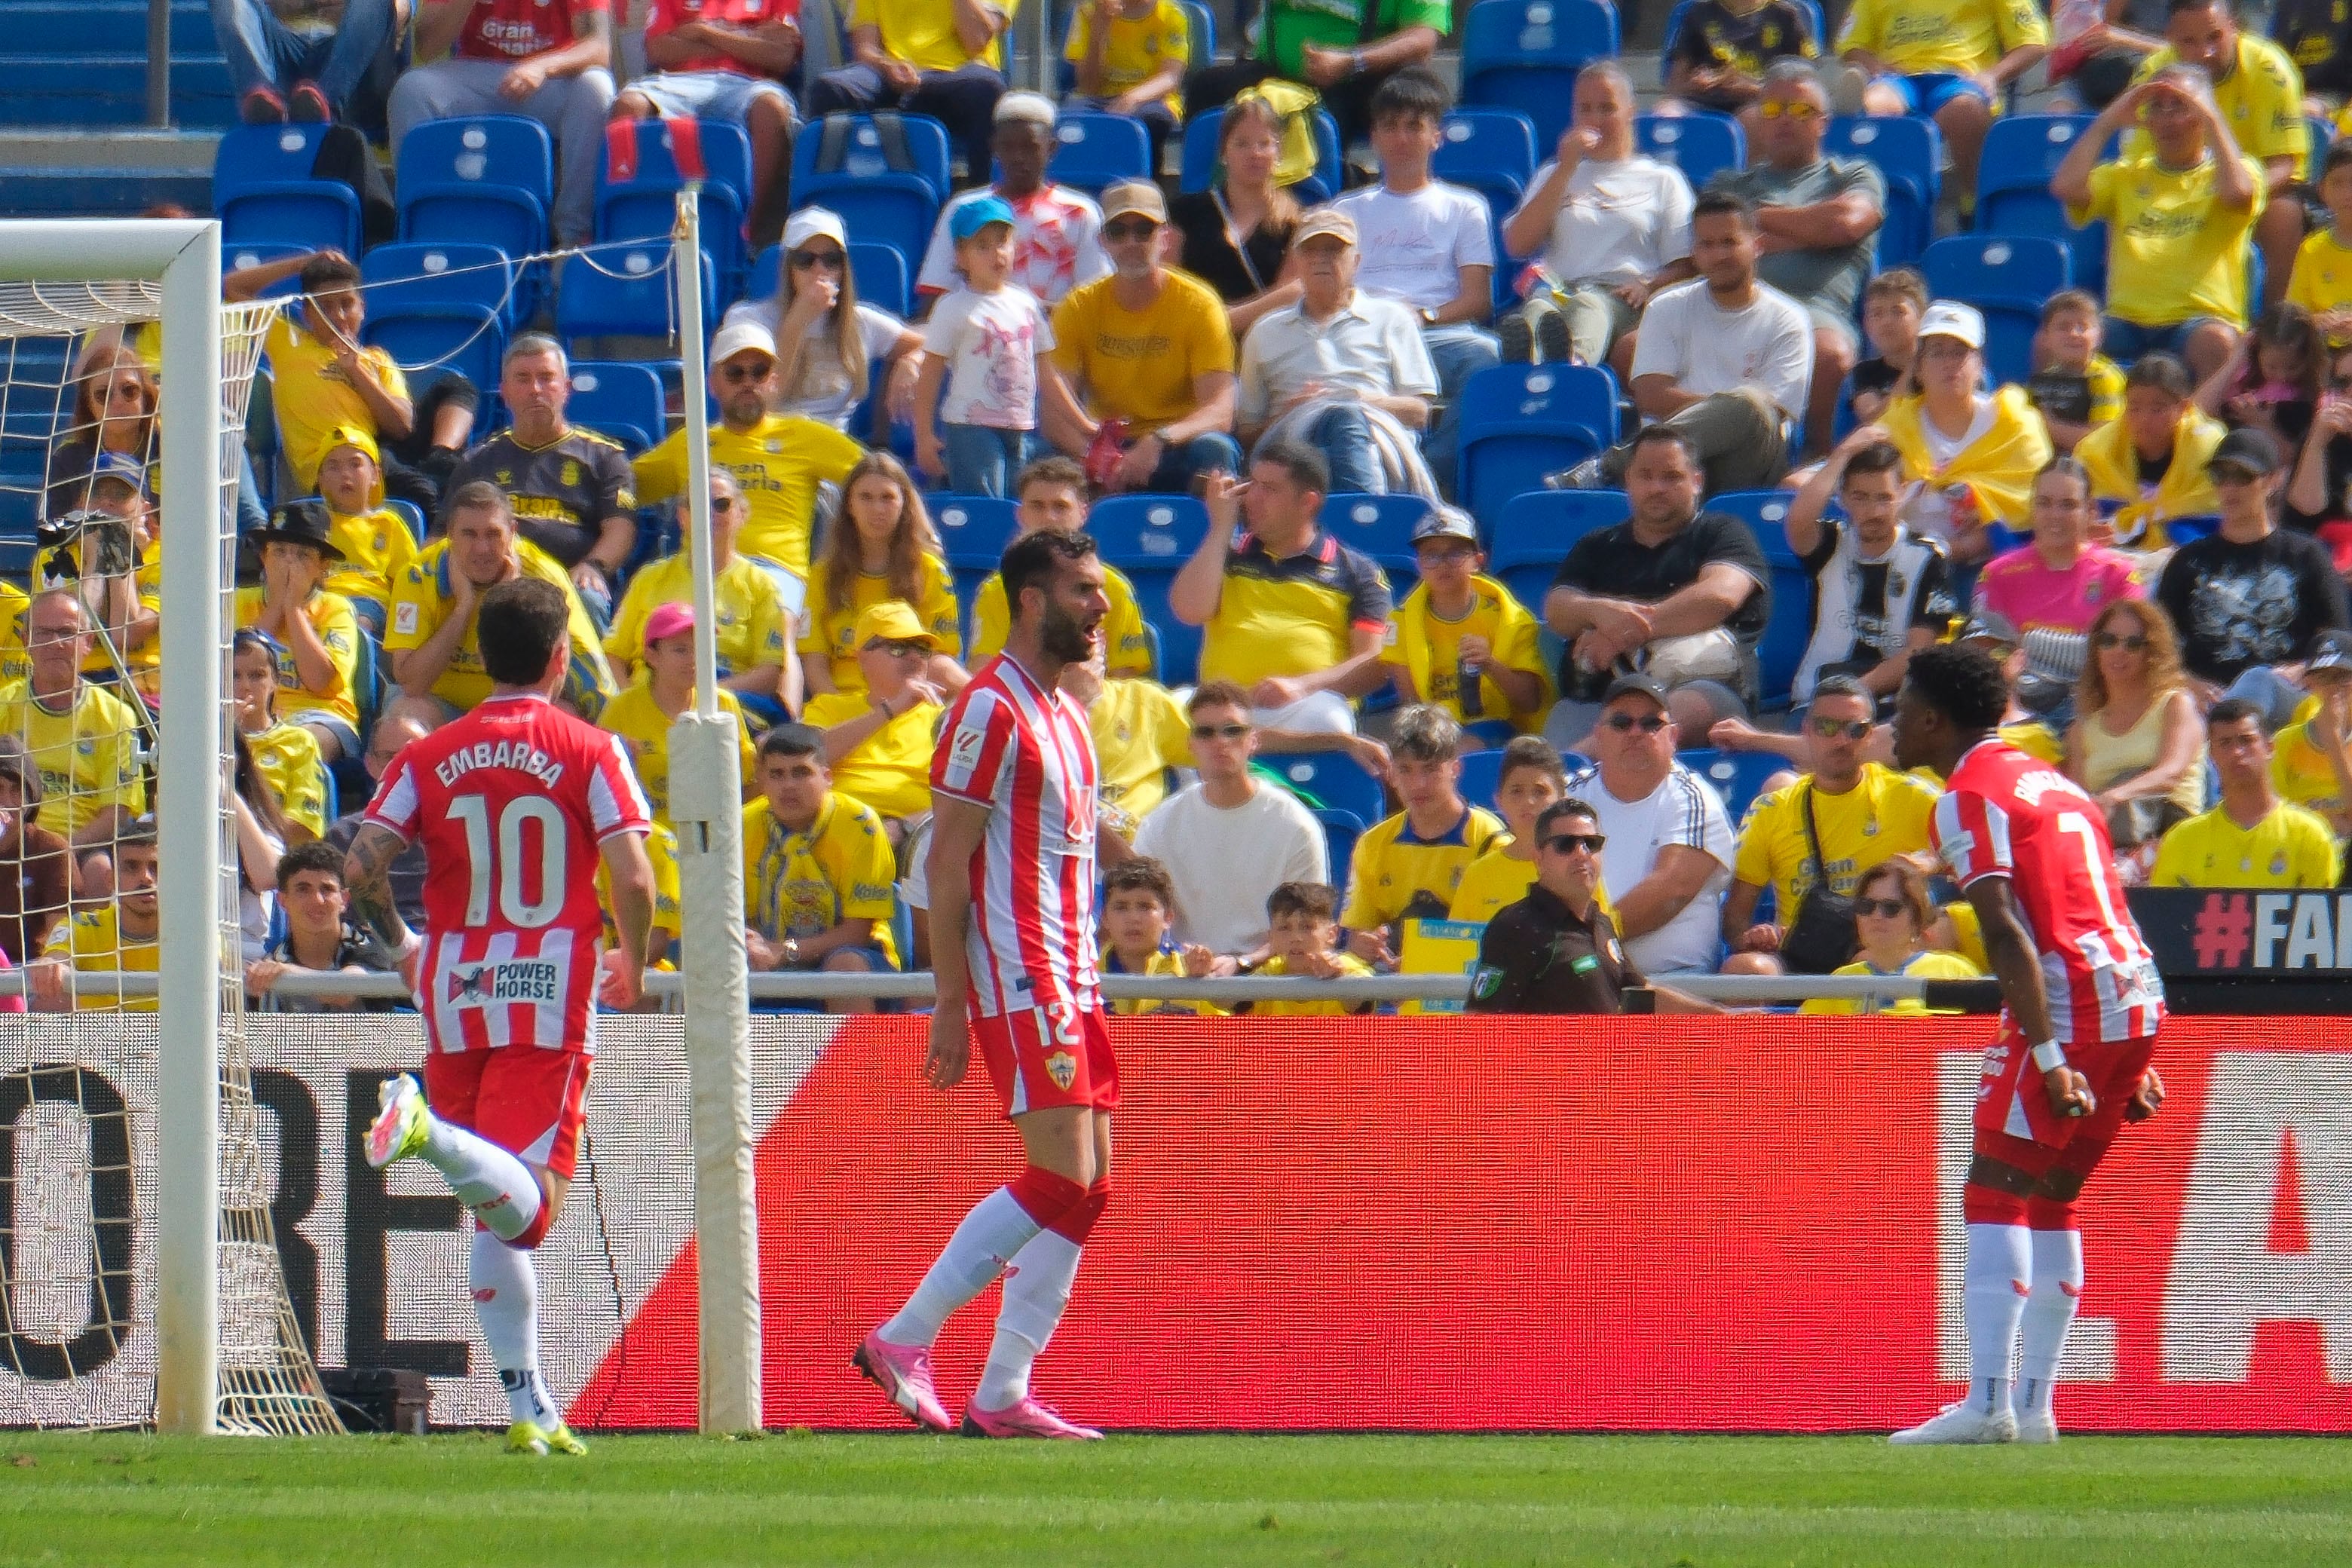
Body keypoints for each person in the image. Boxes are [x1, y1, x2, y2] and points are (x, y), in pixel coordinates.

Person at [352, 577, 657, 1459]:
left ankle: (528, 1406)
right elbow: (633, 875)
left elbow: (362, 863)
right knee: (529, 1214)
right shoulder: (590, 748)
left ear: (483, 657)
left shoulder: (427, 753)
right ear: (562, 656)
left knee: (494, 1208)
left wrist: (406, 946)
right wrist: (634, 957)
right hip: (546, 991)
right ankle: (421, 1128)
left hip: (454, 991)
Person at [855, 527, 1117, 1442]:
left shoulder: (1067, 715)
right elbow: (946, 863)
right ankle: (902, 1339)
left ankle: (1003, 1390)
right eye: (1085, 589)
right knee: (1059, 1173)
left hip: (1074, 972)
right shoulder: (986, 709)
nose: (1103, 605)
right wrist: (951, 1003)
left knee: (1092, 1184)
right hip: (1021, 970)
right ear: (1034, 599)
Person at [1887, 642, 2166, 1446]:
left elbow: (2006, 928)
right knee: (2055, 1196)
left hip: (2072, 1003)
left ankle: (1985, 1405)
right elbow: (2101, 901)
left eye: (1902, 709)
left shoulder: (1968, 793)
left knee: (1995, 1190)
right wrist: (2131, 1048)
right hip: (2132, 993)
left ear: (1935, 719)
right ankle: (2037, 1408)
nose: (1894, 724)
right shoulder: (2056, 783)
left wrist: (2051, 1056)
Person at [1558, 192, 1814, 496]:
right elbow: (1651, 396)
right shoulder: (1666, 306)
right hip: (1667, 460)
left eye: (1729, 243)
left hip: (1745, 465)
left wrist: (1733, 409)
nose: (1719, 255)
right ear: (1694, 252)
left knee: (1751, 405)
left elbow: (1771, 413)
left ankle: (1611, 467)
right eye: (1707, 245)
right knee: (1744, 403)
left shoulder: (1789, 319)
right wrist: (1724, 411)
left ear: (1757, 246)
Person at [1328, 68, 1500, 488]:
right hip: (1365, 334)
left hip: (1436, 332)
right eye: (1390, 127)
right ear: (1375, 136)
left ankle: (1434, 470)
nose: (1402, 139)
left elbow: (1477, 299)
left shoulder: (1465, 207)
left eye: (1414, 127)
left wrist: (1421, 316)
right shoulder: (1346, 211)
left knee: (1485, 354)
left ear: (1435, 136)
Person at [1544, 427, 1772, 741]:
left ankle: (1588, 761)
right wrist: (1599, 609)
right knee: (1561, 734)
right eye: (1646, 476)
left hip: (1702, 691)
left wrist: (1620, 634)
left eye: (1671, 476)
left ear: (1696, 482)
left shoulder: (1724, 533)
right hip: (1599, 699)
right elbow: (1558, 610)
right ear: (1628, 481)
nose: (1657, 487)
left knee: (1644, 726)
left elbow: (1718, 597)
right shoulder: (1597, 544)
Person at [632, 320, 865, 624]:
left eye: (759, 372)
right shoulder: (691, 443)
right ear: (713, 382)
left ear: (774, 381)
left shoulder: (805, 435)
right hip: (701, 572)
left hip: (776, 573)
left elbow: (882, 477)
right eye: (735, 373)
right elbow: (622, 486)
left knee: (770, 625)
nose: (748, 382)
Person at [1711, 61, 1888, 455]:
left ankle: (1816, 454)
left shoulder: (1853, 175)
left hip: (1817, 311)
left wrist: (1753, 219)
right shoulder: (1731, 183)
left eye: (1800, 110)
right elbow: (1710, 242)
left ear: (1823, 122)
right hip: (1733, 308)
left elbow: (1843, 224)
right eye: (1772, 110)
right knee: (1635, 344)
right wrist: (1811, 230)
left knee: (1831, 353)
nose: (1784, 120)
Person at [2052, 65, 2265, 380]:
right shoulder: (2124, 174)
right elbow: (2065, 187)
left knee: (2215, 343)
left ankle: (2206, 429)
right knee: (2055, 341)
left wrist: (2212, 118)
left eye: (2180, 105)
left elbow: (2237, 195)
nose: (2167, 119)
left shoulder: (2240, 170)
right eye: (2157, 107)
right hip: (2125, 321)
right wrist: (2108, 121)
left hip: (2198, 320)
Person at [1719, 675, 1941, 975]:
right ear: (1807, 731)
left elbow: (1978, 845)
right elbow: (1736, 917)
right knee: (1744, 970)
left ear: (1871, 736)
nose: (1841, 740)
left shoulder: (1912, 795)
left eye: (1856, 730)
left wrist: (1930, 862)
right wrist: (1758, 940)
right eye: (1827, 728)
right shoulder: (1772, 808)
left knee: (1867, 965)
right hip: (1801, 955)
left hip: (1883, 952)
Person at [1174, 444, 1395, 740]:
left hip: (1302, 706)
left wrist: (1302, 686)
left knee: (1329, 719)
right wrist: (1220, 529)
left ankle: (1243, 744)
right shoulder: (1223, 555)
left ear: (1308, 502)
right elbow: (1190, 611)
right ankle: (1239, 745)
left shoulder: (1357, 571)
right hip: (1220, 708)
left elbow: (1375, 663)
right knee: (1169, 711)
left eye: (1269, 489)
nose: (1252, 497)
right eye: (1251, 484)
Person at [1498, 62, 1696, 374]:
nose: (1595, 120)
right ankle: (1523, 368)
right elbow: (1517, 244)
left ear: (1630, 111)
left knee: (1590, 306)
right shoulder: (1553, 173)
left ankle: (1571, 368)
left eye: (1607, 108)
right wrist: (1566, 168)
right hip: (1558, 288)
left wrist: (1649, 282)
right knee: (1536, 307)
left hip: (1620, 295)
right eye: (1585, 109)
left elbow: (1687, 263)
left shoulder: (1662, 179)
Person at [1049, 180, 1243, 495]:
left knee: (1215, 450)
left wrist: (1158, 439)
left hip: (1176, 443)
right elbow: (1054, 415)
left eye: (1144, 230)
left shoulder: (1199, 304)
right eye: (1118, 232)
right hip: (1105, 442)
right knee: (1045, 461)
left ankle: (1222, 538)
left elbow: (1220, 410)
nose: (1132, 242)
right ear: (1103, 242)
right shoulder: (1078, 306)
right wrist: (1095, 458)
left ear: (1165, 238)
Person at [1233, 208, 1438, 496]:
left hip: (1374, 439)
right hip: (1291, 445)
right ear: (1296, 262)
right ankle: (1363, 516)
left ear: (1356, 262)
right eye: (1309, 251)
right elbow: (1246, 434)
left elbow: (1419, 412)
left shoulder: (1391, 319)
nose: (1320, 259)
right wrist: (1289, 414)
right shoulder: (1264, 332)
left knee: (1346, 418)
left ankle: (1358, 512)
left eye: (1332, 250)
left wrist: (1353, 400)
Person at [1128, 681, 1331, 966]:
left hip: (1270, 981)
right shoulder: (1159, 824)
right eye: (1205, 732)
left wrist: (1243, 964)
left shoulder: (1295, 824)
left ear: (1254, 741)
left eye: (1233, 730)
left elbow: (1309, 927)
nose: (1220, 741)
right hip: (1185, 981)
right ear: (1191, 743)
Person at [2125, 0, 2310, 311]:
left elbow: (2285, 164)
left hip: (2248, 195)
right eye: (2189, 41)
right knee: (2116, 204)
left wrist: (2230, 192)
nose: (2205, 52)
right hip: (2171, 196)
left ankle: (2274, 326)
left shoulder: (2268, 67)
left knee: (2285, 215)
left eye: (2215, 37)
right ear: (2169, 37)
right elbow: (2135, 163)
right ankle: (2132, 317)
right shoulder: (2154, 74)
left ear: (2234, 27)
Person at [2155, 428, 2352, 719]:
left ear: (2273, 480)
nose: (2230, 488)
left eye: (2243, 476)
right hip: (2204, 699)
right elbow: (2154, 644)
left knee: (2259, 680)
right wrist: (2186, 682)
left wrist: (2303, 668)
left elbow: (2338, 638)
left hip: (2285, 695)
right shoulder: (2188, 561)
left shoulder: (2306, 555)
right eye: (2221, 476)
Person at [1465, 798, 1722, 1015]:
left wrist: (1722, 1017)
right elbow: (1481, 1022)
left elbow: (1639, 994)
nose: (1582, 853)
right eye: (1566, 844)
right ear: (1539, 858)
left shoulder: (1600, 921)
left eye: (1592, 843)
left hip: (1605, 1071)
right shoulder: (1517, 928)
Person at [385, 482, 616, 723]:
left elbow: (589, 673)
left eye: (493, 534)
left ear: (512, 531)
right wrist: (463, 608)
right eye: (469, 534)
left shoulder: (544, 577)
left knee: (566, 715)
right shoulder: (418, 576)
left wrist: (507, 601)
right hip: (443, 708)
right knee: (406, 715)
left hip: (518, 709)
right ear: (450, 535)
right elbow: (412, 683)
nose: (482, 548)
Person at [391, 0, 617, 246]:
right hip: (476, 73)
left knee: (596, 87)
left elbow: (598, 47)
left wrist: (542, 67)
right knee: (411, 90)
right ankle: (424, 231)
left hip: (551, 77)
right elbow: (427, 46)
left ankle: (572, 237)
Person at [446, 335, 639, 619]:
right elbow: (442, 535)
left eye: (547, 378)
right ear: (505, 392)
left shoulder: (604, 457)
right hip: (490, 580)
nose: (535, 389)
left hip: (570, 582)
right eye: (523, 379)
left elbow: (621, 529)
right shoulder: (478, 461)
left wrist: (593, 566)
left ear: (566, 388)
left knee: (589, 597)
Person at [1563, 675, 1737, 978]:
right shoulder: (1568, 795)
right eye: (1621, 723)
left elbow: (1672, 889)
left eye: (1651, 724)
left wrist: (1577, 945)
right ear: (1598, 736)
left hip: (1675, 979)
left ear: (1673, 737)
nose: (1636, 732)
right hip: (1581, 976)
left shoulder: (1695, 799)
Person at [1782, 432, 1955, 713]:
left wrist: (1855, 693)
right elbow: (1798, 520)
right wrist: (1841, 455)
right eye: (1860, 498)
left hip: (1889, 705)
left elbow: (1919, 650)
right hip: (1815, 700)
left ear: (1903, 492)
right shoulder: (1830, 543)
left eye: (1884, 498)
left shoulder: (1928, 557)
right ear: (1843, 497)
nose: (1872, 511)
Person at [1876, 302, 2056, 565]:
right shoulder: (1892, 428)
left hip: (1998, 568)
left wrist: (1971, 542)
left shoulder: (2016, 425)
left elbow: (2037, 502)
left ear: (1979, 365)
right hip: (1902, 564)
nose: (1950, 364)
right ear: (1919, 367)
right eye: (1938, 352)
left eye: (1961, 352)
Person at [610, 0, 799, 248]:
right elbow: (658, 49)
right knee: (629, 105)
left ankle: (748, 232)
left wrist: (703, 32)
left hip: (747, 83)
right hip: (678, 82)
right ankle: (628, 232)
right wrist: (747, 38)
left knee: (771, 109)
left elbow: (781, 55)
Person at [720, 207, 924, 434]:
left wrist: (911, 361)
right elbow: (767, 400)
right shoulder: (749, 319)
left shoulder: (859, 321)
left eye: (831, 260)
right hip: (769, 441)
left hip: (832, 448)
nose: (820, 269)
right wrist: (798, 320)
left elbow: (926, 342)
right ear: (789, 268)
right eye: (806, 260)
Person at [740, 722, 901, 1009]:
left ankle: (856, 1056)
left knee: (844, 966)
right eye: (777, 775)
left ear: (827, 778)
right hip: (765, 958)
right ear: (762, 781)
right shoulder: (740, 827)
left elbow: (857, 933)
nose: (788, 786)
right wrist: (750, 942)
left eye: (801, 773)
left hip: (854, 957)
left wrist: (784, 951)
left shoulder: (860, 826)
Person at [605, 467, 796, 709]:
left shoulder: (762, 586)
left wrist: (698, 698)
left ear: (742, 513)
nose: (710, 513)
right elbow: (614, 654)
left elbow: (770, 672)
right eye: (699, 504)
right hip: (649, 702)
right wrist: (637, 702)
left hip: (727, 702)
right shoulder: (649, 577)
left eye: (722, 504)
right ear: (682, 517)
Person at [1836, 0, 2049, 215]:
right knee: (1873, 105)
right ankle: (1873, 203)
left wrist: (1992, 76)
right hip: (1897, 80)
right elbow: (1852, 45)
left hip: (1959, 80)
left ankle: (1973, 204)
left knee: (1964, 111)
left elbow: (2033, 43)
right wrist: (1876, 68)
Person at [1975, 459, 2146, 717]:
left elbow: (2136, 651)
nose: (2055, 515)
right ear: (2031, 508)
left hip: (2097, 708)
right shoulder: (1998, 574)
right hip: (2017, 706)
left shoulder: (2117, 574)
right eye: (2044, 503)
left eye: (2068, 505)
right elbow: (1981, 654)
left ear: (2091, 512)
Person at [916, 196, 1063, 498]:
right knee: (986, 503)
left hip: (1020, 425)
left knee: (1016, 504)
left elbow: (1048, 374)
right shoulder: (951, 306)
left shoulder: (1026, 303)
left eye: (1003, 242)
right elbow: (929, 376)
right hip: (971, 426)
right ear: (961, 255)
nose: (996, 253)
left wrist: (1084, 424)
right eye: (982, 245)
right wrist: (923, 435)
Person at [1338, 705, 1505, 967]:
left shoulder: (1490, 841)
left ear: (1455, 769)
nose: (1418, 785)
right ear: (1391, 773)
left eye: (1430, 769)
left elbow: (1497, 939)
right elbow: (1358, 932)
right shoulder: (1372, 844)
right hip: (1391, 981)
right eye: (1405, 770)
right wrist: (1367, 945)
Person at [917, 93, 1112, 311]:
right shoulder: (965, 208)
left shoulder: (1080, 212)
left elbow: (1096, 300)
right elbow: (935, 297)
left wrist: (1024, 317)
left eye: (1030, 148)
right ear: (994, 148)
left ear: (1052, 149)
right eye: (1008, 147)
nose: (1018, 157)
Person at [798, 454, 964, 700]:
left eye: (888, 498)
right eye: (865, 498)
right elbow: (814, 660)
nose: (877, 509)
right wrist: (838, 710)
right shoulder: (824, 573)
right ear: (849, 506)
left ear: (904, 505)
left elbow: (940, 660)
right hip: (842, 702)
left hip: (910, 698)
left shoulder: (930, 570)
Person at [969, 457, 1153, 678]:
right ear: (1020, 514)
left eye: (1061, 506)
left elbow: (1125, 680)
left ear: (1083, 514)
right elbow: (983, 671)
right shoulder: (997, 590)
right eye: (1037, 506)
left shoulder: (1114, 588)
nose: (1049, 517)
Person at [1180, 0, 1448, 149]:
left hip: (1357, 79)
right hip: (1275, 73)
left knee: (1326, 114)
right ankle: (1205, 204)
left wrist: (1353, 61)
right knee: (1206, 86)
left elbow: (1422, 39)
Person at [803, 0, 1012, 187]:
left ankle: (980, 204)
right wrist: (888, 66)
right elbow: (865, 48)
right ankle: (828, 200)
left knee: (988, 88)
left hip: (956, 77)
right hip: (889, 75)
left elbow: (976, 40)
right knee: (830, 88)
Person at [0, 591, 147, 852]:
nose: (56, 643)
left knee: (99, 871)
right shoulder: (4, 705)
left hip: (82, 849)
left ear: (88, 642)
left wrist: (61, 851)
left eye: (67, 633)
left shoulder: (116, 715)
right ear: (26, 641)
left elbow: (117, 813)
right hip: (7, 842)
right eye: (44, 633)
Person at [1382, 508, 1548, 737]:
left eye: (1455, 553)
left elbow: (1530, 702)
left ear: (1478, 561)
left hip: (1497, 727)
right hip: (1433, 732)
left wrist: (1490, 664)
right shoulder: (1400, 622)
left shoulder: (1510, 619)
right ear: (1419, 564)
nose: (1442, 564)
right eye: (1431, 555)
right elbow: (1412, 704)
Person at [598, 602, 757, 828]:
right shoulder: (622, 708)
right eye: (680, 650)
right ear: (652, 656)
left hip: (712, 841)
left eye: (700, 648)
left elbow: (746, 779)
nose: (693, 659)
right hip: (648, 837)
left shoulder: (722, 702)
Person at [2151, 697, 2341, 886]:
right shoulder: (2183, 840)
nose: (2237, 752)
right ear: (2211, 754)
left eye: (2247, 740)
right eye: (2225, 743)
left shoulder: (2309, 834)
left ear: (2269, 747)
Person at [1166, 93, 1306, 339]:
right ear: (1223, 152)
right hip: (1191, 339)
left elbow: (1293, 290)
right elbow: (1165, 276)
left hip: (1265, 341)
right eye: (1241, 144)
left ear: (1278, 152)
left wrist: (1223, 321)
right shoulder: (1185, 211)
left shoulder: (1296, 219)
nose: (1254, 153)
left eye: (1264, 144)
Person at [237, 498, 364, 764]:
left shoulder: (336, 609)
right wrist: (276, 607)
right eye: (279, 552)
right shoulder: (239, 601)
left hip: (320, 715)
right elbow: (233, 671)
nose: (289, 564)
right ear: (263, 558)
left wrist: (293, 609)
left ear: (322, 568)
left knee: (298, 744)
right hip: (248, 710)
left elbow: (320, 682)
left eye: (303, 555)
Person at [804, 601, 948, 835]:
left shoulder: (944, 719)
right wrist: (890, 710)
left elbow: (961, 799)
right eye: (898, 648)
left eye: (921, 648)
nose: (913, 657)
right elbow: (806, 759)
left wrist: (904, 827)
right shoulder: (829, 706)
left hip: (914, 835)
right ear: (861, 657)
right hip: (837, 828)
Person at [2075, 351, 2227, 549]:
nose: (2144, 419)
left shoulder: (2209, 449)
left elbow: (2213, 516)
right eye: (2134, 408)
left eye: (2157, 409)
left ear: (2184, 408)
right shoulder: (2096, 451)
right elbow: (2085, 514)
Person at [1796, 858, 1984, 1016]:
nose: (1877, 916)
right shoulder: (1840, 982)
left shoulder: (1955, 971)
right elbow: (1798, 1042)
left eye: (1891, 908)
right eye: (1866, 906)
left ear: (1916, 919)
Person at [244, 838, 397, 1012]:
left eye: (327, 889)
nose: (317, 900)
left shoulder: (371, 948)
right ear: (282, 901)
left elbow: (346, 990)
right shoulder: (270, 966)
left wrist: (287, 973)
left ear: (344, 900)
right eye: (303, 889)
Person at [29, 819, 160, 1014]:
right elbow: (56, 959)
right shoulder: (82, 925)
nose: (146, 877)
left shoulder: (195, 936)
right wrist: (51, 963)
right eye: (131, 867)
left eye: (155, 868)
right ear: (110, 880)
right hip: (97, 1043)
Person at [1061, 648, 1190, 841]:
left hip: (1140, 848)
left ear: (1102, 646)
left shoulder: (1144, 703)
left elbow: (1222, 749)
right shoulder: (1024, 715)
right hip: (1063, 848)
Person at [310, 424, 421, 638]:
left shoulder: (388, 525)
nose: (345, 475)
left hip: (368, 601)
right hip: (322, 600)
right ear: (321, 480)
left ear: (375, 475)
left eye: (355, 465)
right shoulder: (313, 522)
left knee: (356, 626)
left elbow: (408, 579)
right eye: (333, 467)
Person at [325, 710, 432, 933]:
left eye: (416, 755)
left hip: (439, 944)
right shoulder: (344, 835)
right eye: (391, 757)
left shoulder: (455, 828)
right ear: (370, 764)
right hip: (367, 948)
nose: (404, 766)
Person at [213, 0, 402, 126]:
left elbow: (401, 10)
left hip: (353, 61)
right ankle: (262, 100)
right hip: (286, 46)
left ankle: (325, 104)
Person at [1447, 736, 1571, 924]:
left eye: (1540, 791)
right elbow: (1456, 945)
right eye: (1517, 791)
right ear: (1499, 800)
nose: (1528, 802)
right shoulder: (1479, 875)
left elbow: (1602, 941)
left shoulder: (1578, 866)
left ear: (1562, 800)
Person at [1065, 0, 1187, 173]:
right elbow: (1088, 86)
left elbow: (1170, 77)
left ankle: (1146, 182)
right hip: (1097, 98)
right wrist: (1098, 33)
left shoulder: (1171, 14)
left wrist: (1132, 98)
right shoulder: (1087, 12)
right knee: (1071, 121)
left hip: (1151, 98)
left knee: (1153, 120)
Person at [232, 628, 329, 844]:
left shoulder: (299, 741)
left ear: (275, 680)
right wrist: (229, 732)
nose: (245, 686)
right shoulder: (208, 742)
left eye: (257, 676)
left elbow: (303, 827)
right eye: (234, 675)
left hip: (274, 853)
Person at [1097, 857, 1223, 1017]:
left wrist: (1203, 983)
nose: (1133, 917)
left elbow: (1222, 1032)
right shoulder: (1084, 976)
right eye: (1121, 908)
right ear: (1105, 919)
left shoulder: (1189, 969)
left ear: (1168, 918)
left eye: (1145, 907)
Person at [2197, 303, 2325, 455]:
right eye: (2272, 367)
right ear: (2258, 354)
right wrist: (2236, 358)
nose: (2282, 376)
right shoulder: (2241, 379)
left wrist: (2262, 423)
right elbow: (2197, 412)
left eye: (2292, 367)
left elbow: (2295, 458)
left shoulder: (2306, 399)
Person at [1666, 0, 1821, 122]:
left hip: (1761, 103)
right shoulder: (1697, 13)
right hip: (1701, 101)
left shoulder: (1786, 16)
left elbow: (1804, 86)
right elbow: (1676, 83)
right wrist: (1694, 84)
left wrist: (1753, 88)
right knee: (1666, 113)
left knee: (1751, 118)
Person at [1239, 881, 1376, 1015]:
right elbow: (1230, 1002)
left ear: (1331, 934)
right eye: (1284, 928)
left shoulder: (1347, 967)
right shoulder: (1270, 972)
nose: (1296, 938)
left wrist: (1339, 980)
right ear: (1272, 937)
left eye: (1307, 927)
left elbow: (1362, 1004)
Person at [0, 738, 68, 968]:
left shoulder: (50, 850)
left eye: (16, 791)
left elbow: (61, 938)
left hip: (28, 975)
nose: (5, 803)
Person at [2287, 140, 2352, 340]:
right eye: (2337, 183)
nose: (2348, 194)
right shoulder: (2312, 248)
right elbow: (2295, 314)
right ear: (2323, 190)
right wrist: (2319, 321)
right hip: (2322, 350)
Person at [1848, 268, 1927, 430]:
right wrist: (1912, 370)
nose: (1887, 322)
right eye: (1877, 314)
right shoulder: (1865, 372)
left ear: (1922, 319)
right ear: (1867, 324)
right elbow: (1874, 420)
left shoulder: (1938, 367)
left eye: (1898, 311)